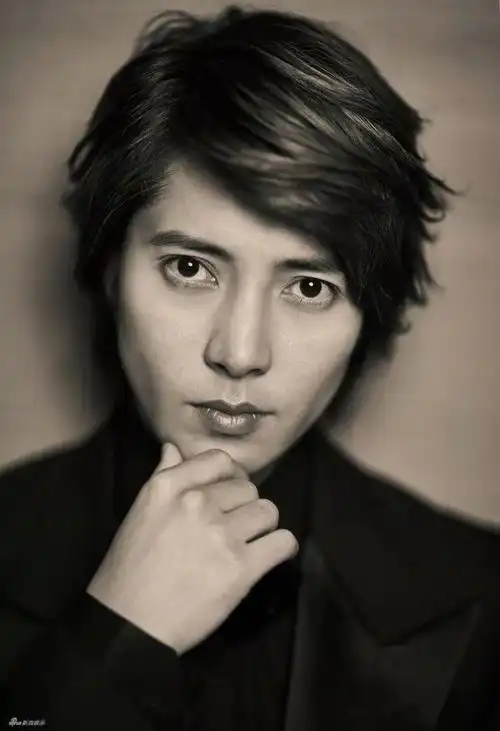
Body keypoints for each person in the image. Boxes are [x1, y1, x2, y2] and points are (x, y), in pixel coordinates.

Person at [0, 5, 499, 730]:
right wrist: (110, 645)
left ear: (370, 316)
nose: (239, 353)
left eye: (310, 287)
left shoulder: (482, 591)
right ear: (108, 267)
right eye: (190, 268)